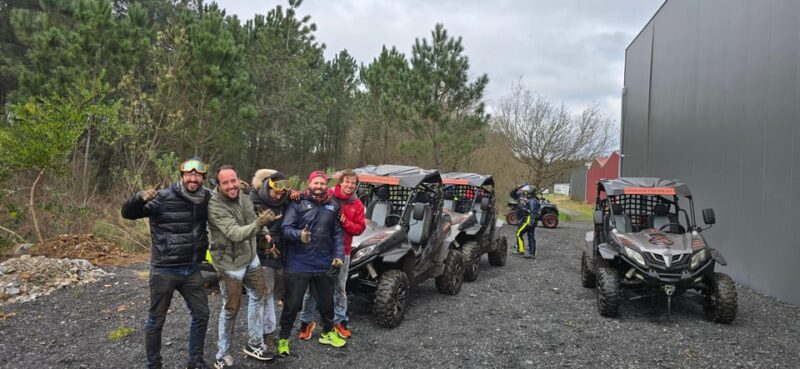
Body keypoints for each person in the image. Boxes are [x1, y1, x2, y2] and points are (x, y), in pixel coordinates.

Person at [121, 157, 212, 369]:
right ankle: (153, 364)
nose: (193, 178)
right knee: (156, 319)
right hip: (164, 269)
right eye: (188, 174)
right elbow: (128, 214)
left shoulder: (206, 198)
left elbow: (229, 202)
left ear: (203, 178)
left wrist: (247, 191)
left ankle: (195, 361)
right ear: (182, 176)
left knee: (202, 314)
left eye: (197, 174)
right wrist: (139, 198)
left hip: (191, 268)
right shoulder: (162, 197)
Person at [207, 165, 281, 368]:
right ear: (219, 185)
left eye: (233, 181)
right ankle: (222, 354)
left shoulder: (243, 195)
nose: (231, 186)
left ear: (238, 179)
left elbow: (251, 217)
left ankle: (254, 343)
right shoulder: (215, 205)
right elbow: (235, 233)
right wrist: (259, 224)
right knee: (231, 308)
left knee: (260, 294)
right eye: (226, 183)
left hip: (250, 258)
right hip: (230, 264)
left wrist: (264, 231)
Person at [277, 170, 347, 356]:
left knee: (327, 303)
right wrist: (298, 235)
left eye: (322, 184)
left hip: (323, 263)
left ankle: (327, 333)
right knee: (292, 305)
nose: (319, 187)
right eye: (315, 183)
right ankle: (283, 338)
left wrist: (339, 255)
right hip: (298, 264)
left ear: (326, 185)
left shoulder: (333, 205)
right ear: (309, 184)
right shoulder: (297, 202)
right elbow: (285, 229)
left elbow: (338, 234)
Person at [297, 169, 366, 340]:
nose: (350, 185)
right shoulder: (328, 194)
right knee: (312, 289)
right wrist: (294, 195)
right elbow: (310, 193)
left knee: (339, 287)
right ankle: (306, 322)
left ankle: (340, 321)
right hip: (320, 250)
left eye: (353, 183)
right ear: (340, 182)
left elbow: (359, 228)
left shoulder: (357, 205)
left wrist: (345, 221)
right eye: (347, 181)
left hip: (343, 251)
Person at [248, 169, 294, 354]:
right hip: (261, 254)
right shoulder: (254, 201)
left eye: (283, 192)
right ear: (267, 186)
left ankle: (265, 333)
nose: (279, 195)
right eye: (276, 192)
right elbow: (247, 228)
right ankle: (262, 336)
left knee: (274, 295)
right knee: (263, 295)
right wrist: (263, 241)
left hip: (281, 253)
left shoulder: (286, 200)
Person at [510, 182, 540, 258]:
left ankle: (521, 251)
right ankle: (531, 253)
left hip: (527, 220)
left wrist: (531, 221)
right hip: (525, 217)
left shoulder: (532, 200)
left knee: (519, 233)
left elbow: (533, 212)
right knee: (530, 235)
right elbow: (512, 194)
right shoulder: (531, 199)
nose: (524, 192)